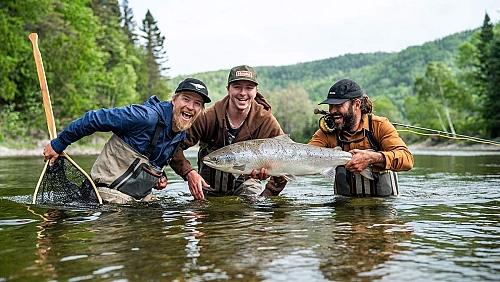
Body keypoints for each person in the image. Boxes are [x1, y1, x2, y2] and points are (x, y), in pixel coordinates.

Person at [42, 78, 211, 204]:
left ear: (200, 110)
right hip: (107, 193)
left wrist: (159, 176)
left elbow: (153, 158)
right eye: (186, 99)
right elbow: (93, 119)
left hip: (139, 197)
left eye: (197, 103)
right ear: (174, 100)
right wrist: (59, 143)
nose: (191, 107)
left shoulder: (180, 131)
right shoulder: (144, 117)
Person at [170, 65, 287, 199]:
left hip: (247, 185)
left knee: (250, 215)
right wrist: (188, 172)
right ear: (228, 89)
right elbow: (173, 146)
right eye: (237, 87)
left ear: (256, 91)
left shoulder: (266, 121)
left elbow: (286, 162)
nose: (243, 93)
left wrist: (266, 195)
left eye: (249, 88)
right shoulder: (208, 117)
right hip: (208, 186)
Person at [308, 78, 414, 196]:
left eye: (338, 105)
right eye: (330, 105)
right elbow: (305, 158)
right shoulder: (325, 133)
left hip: (383, 207)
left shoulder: (379, 126)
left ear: (357, 104)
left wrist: (373, 158)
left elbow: (407, 160)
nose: (332, 111)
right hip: (344, 209)